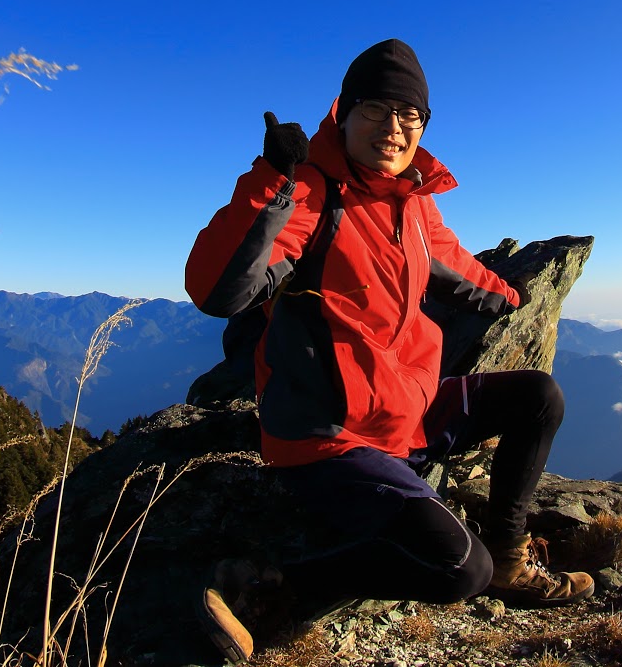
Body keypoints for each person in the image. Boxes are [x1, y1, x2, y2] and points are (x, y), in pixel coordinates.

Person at [185, 39, 592, 663]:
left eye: (411, 116)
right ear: (343, 113)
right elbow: (220, 290)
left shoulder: (413, 198)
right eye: (377, 108)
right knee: (459, 570)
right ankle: (268, 589)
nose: (395, 127)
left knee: (540, 397)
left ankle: (512, 556)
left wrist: (512, 297)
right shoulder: (311, 194)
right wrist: (274, 183)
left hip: (407, 407)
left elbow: (451, 263)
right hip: (329, 435)